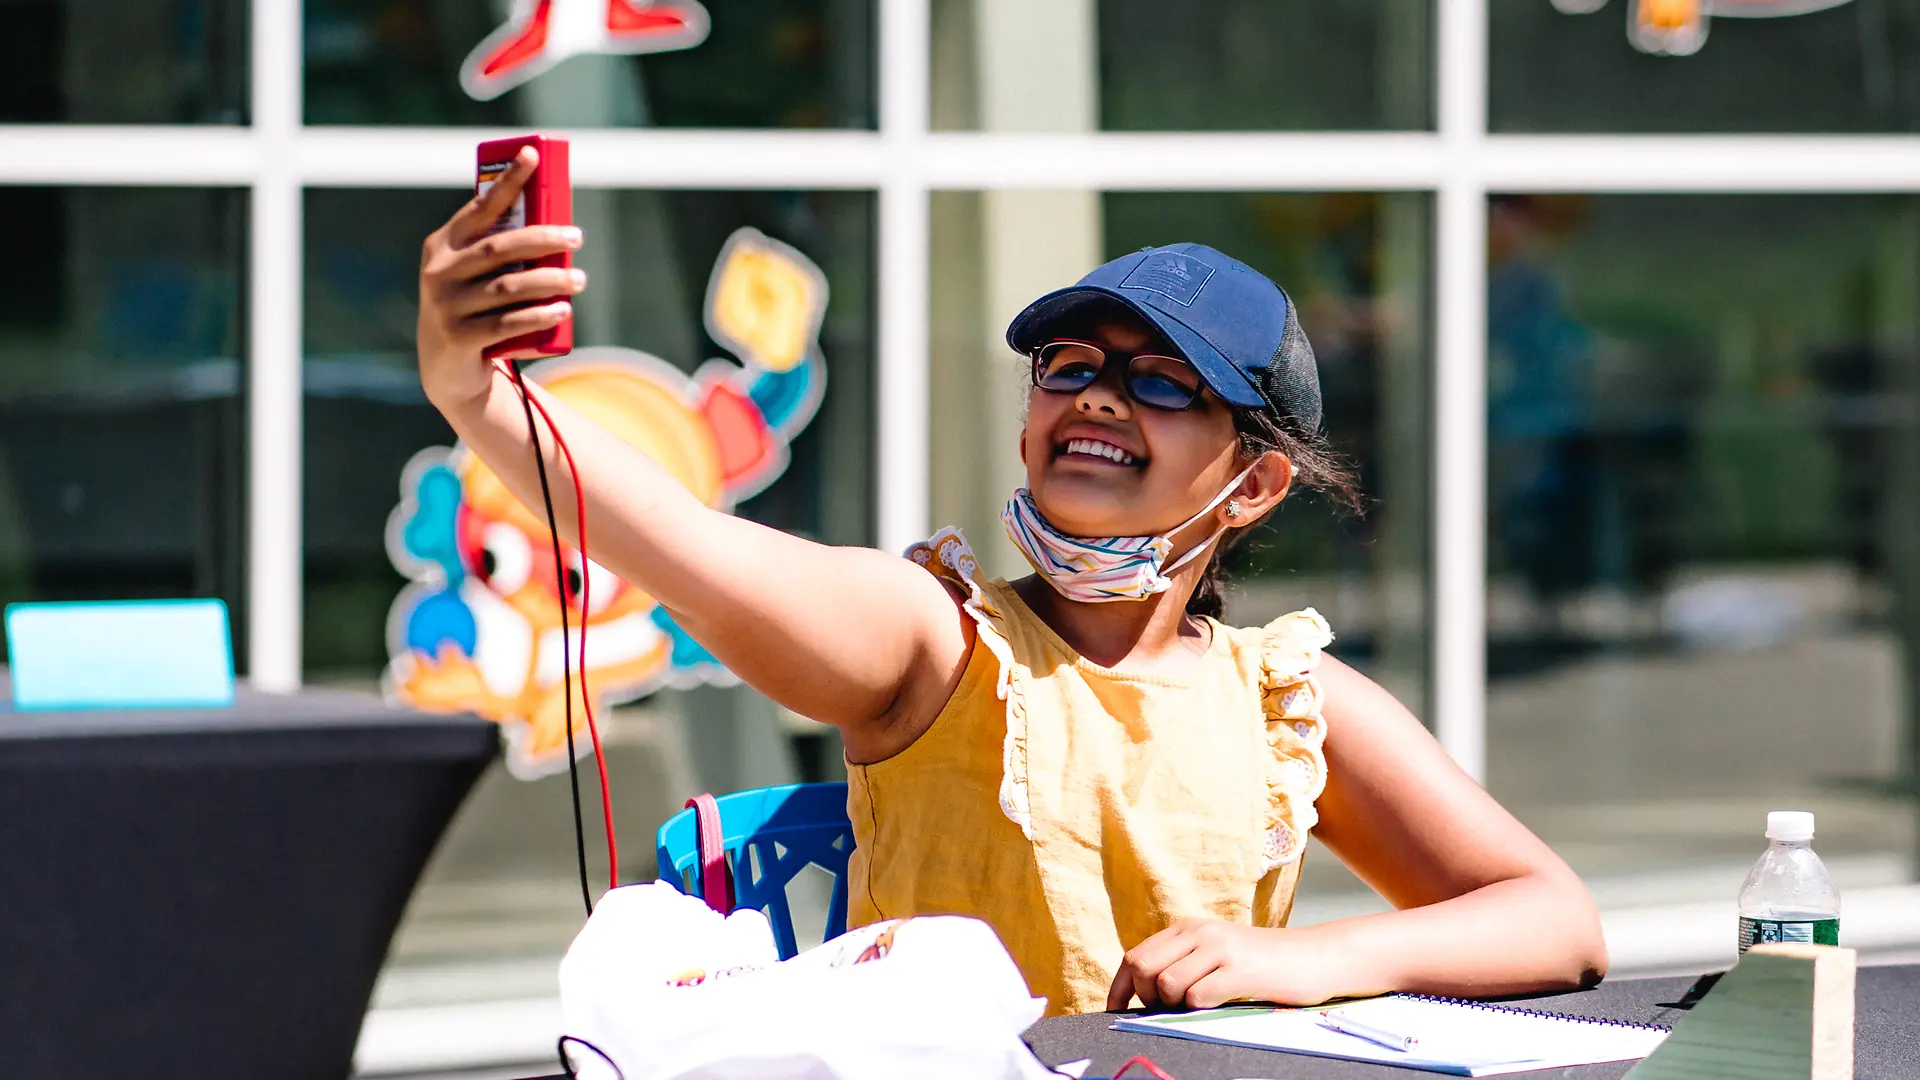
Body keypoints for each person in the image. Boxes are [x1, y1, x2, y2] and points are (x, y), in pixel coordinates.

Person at [415, 148, 1608, 1016]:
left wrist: (1319, 956)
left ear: (1253, 488)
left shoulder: (1290, 701)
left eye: (1160, 383)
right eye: (1069, 364)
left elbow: (1558, 923)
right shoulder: (935, 642)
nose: (1094, 394)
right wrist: (480, 399)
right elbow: (685, 538)